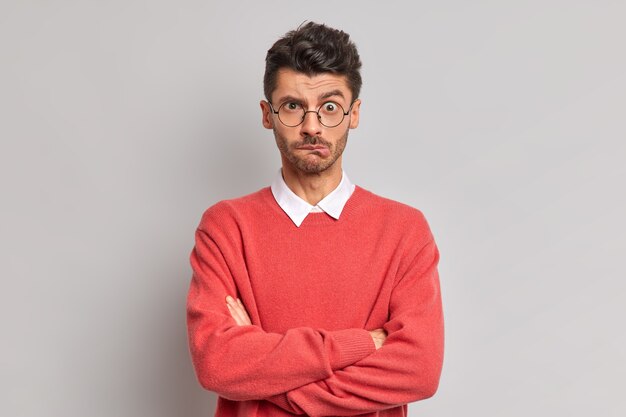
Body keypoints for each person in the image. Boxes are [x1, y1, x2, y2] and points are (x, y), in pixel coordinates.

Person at [187, 21, 444, 417]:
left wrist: (264, 376)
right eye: (292, 106)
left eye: (329, 107)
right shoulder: (226, 227)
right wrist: (363, 344)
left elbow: (419, 370)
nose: (311, 126)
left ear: (353, 113)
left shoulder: (404, 231)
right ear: (267, 114)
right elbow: (217, 364)